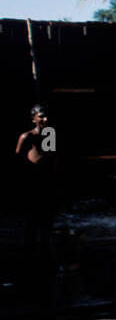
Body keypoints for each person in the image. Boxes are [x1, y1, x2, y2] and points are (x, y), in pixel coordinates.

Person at [14, 103, 58, 263]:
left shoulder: (49, 134)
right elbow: (17, 161)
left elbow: (51, 157)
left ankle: (45, 253)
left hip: (46, 183)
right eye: (41, 116)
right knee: (32, 221)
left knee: (46, 220)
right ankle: (29, 255)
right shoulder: (27, 137)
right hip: (32, 183)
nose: (45, 119)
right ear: (33, 119)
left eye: (46, 116)